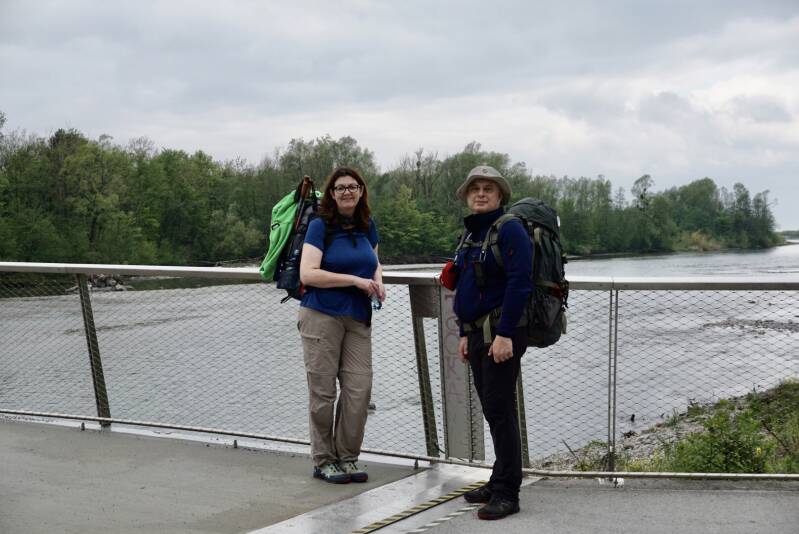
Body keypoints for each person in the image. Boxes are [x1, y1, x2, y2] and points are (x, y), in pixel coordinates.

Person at [452, 165, 532, 519]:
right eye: (475, 189)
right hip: (477, 334)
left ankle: (507, 493)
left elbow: (520, 283)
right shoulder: (472, 233)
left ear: (500, 196)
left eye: (488, 188)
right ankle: (499, 478)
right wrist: (464, 333)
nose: (481, 194)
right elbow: (466, 285)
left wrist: (505, 334)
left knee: (499, 410)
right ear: (467, 196)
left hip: (500, 333)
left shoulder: (510, 229)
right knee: (493, 408)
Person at [298, 166, 385, 484]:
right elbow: (308, 274)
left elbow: (374, 262)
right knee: (323, 392)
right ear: (332, 194)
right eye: (340, 188)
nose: (347, 192)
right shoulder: (320, 226)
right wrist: (355, 281)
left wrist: (378, 281)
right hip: (322, 314)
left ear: (361, 191)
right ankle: (324, 460)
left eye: (353, 186)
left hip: (358, 317)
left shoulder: (367, 225)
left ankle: (347, 457)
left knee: (359, 390)